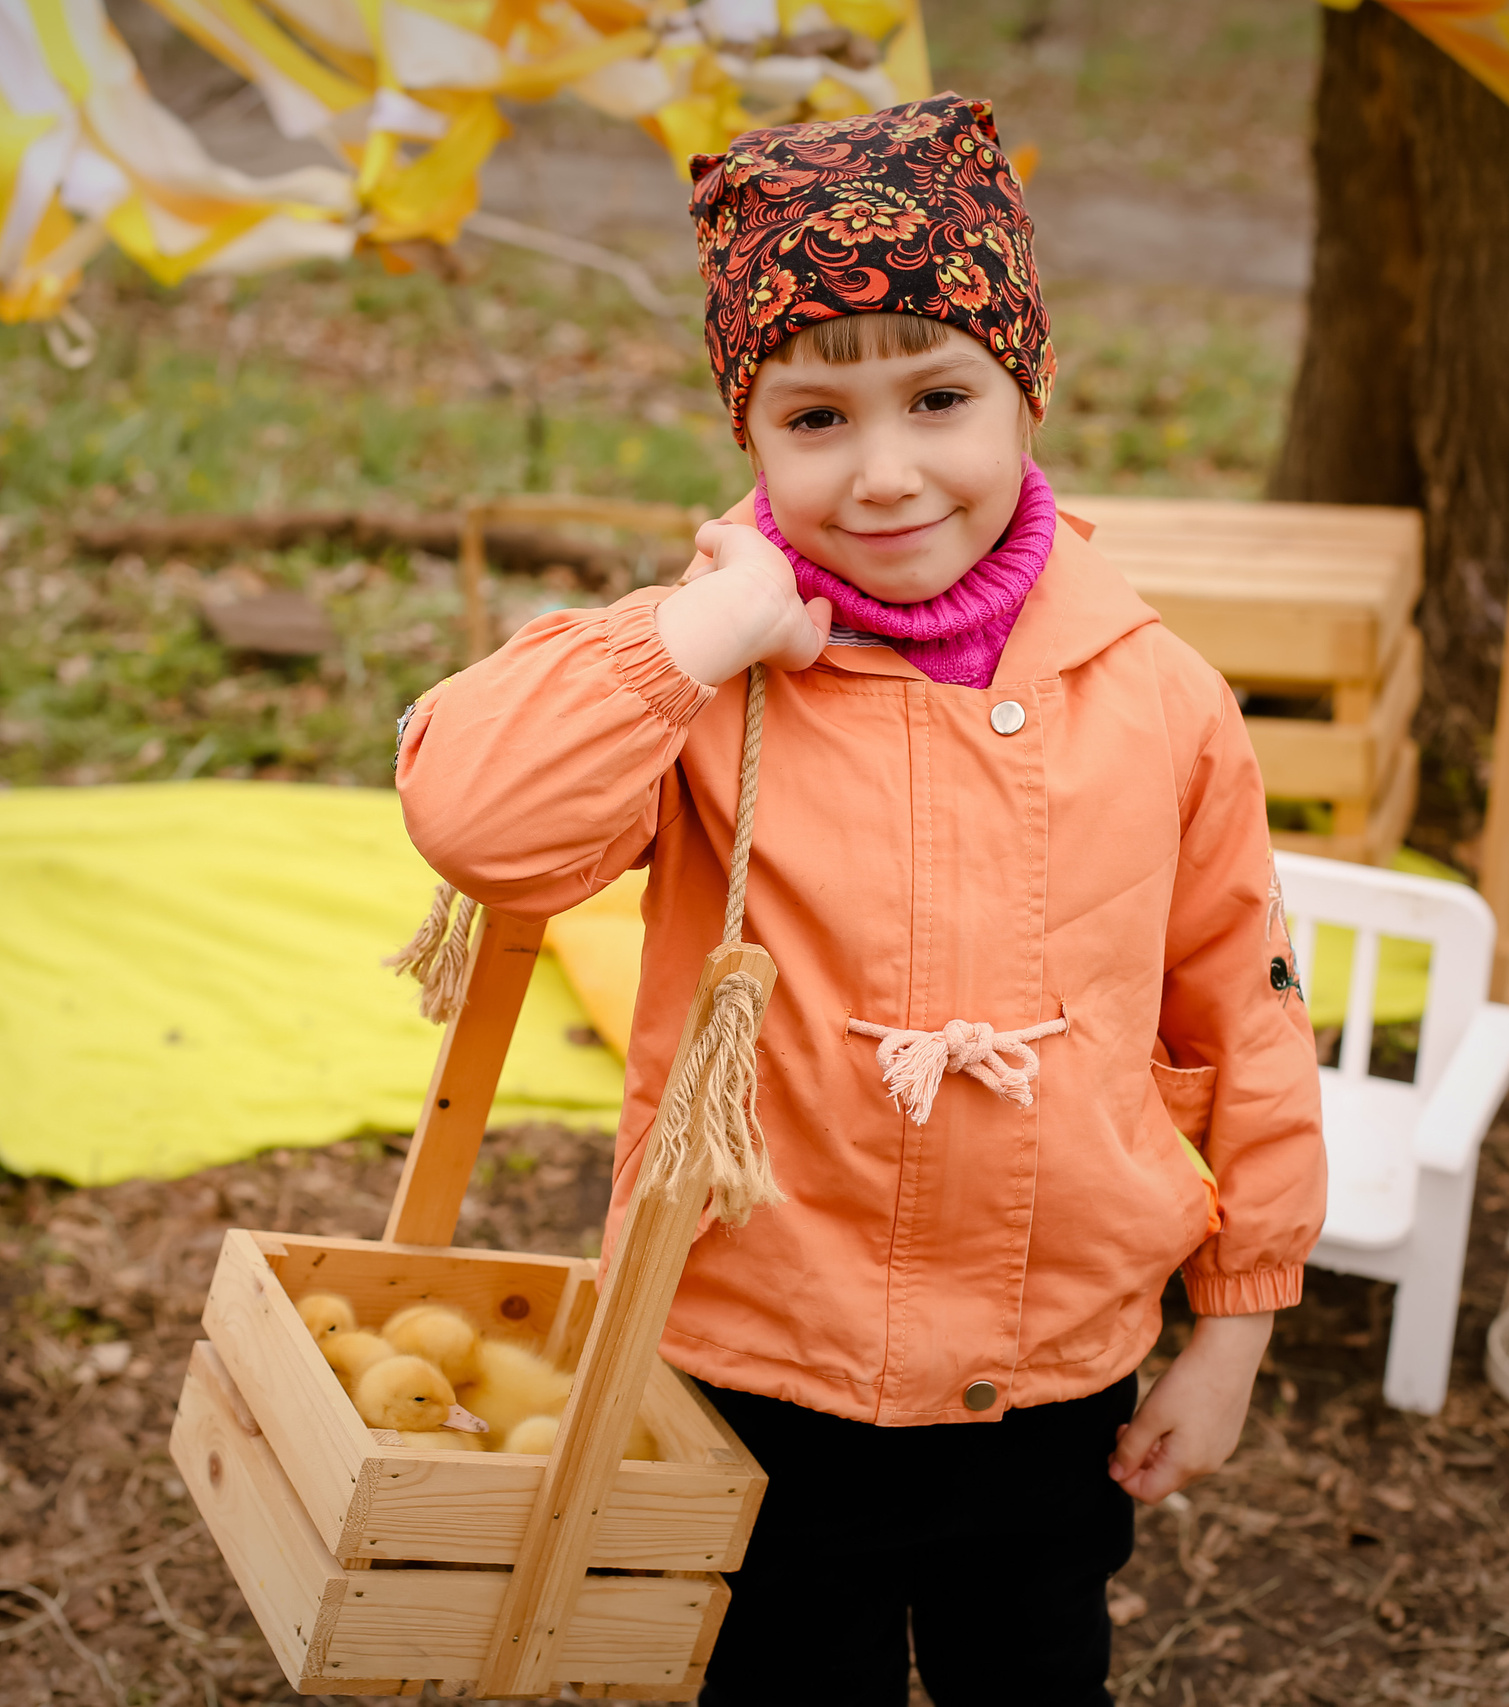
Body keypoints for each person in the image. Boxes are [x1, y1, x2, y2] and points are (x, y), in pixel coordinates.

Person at [395, 93, 1325, 1707]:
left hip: (1049, 1377)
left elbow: (1242, 1010)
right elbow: (478, 822)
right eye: (815, 421)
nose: (888, 474)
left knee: (1032, 1679)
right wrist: (700, 631)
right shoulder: (702, 682)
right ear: (749, 440)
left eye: (940, 397)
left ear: (1027, 393)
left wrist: (1237, 1316)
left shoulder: (1161, 695)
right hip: (757, 1360)